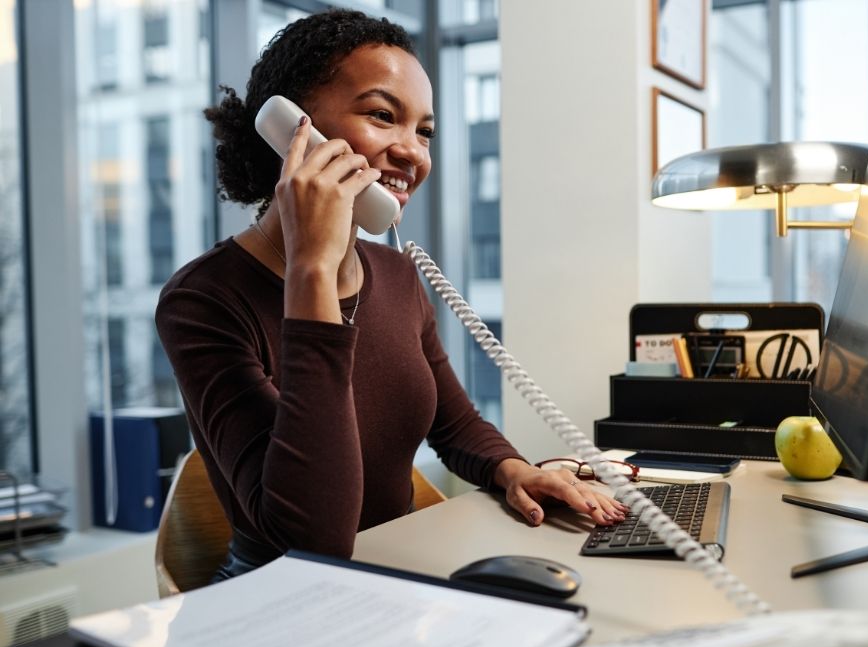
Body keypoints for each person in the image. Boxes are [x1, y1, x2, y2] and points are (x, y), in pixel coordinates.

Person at [156, 8, 627, 579]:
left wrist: (511, 469)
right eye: (383, 116)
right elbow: (313, 537)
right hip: (277, 595)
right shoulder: (203, 299)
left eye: (424, 131)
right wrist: (312, 271)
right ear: (291, 129)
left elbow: (453, 425)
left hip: (400, 570)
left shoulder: (398, 276)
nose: (413, 151)